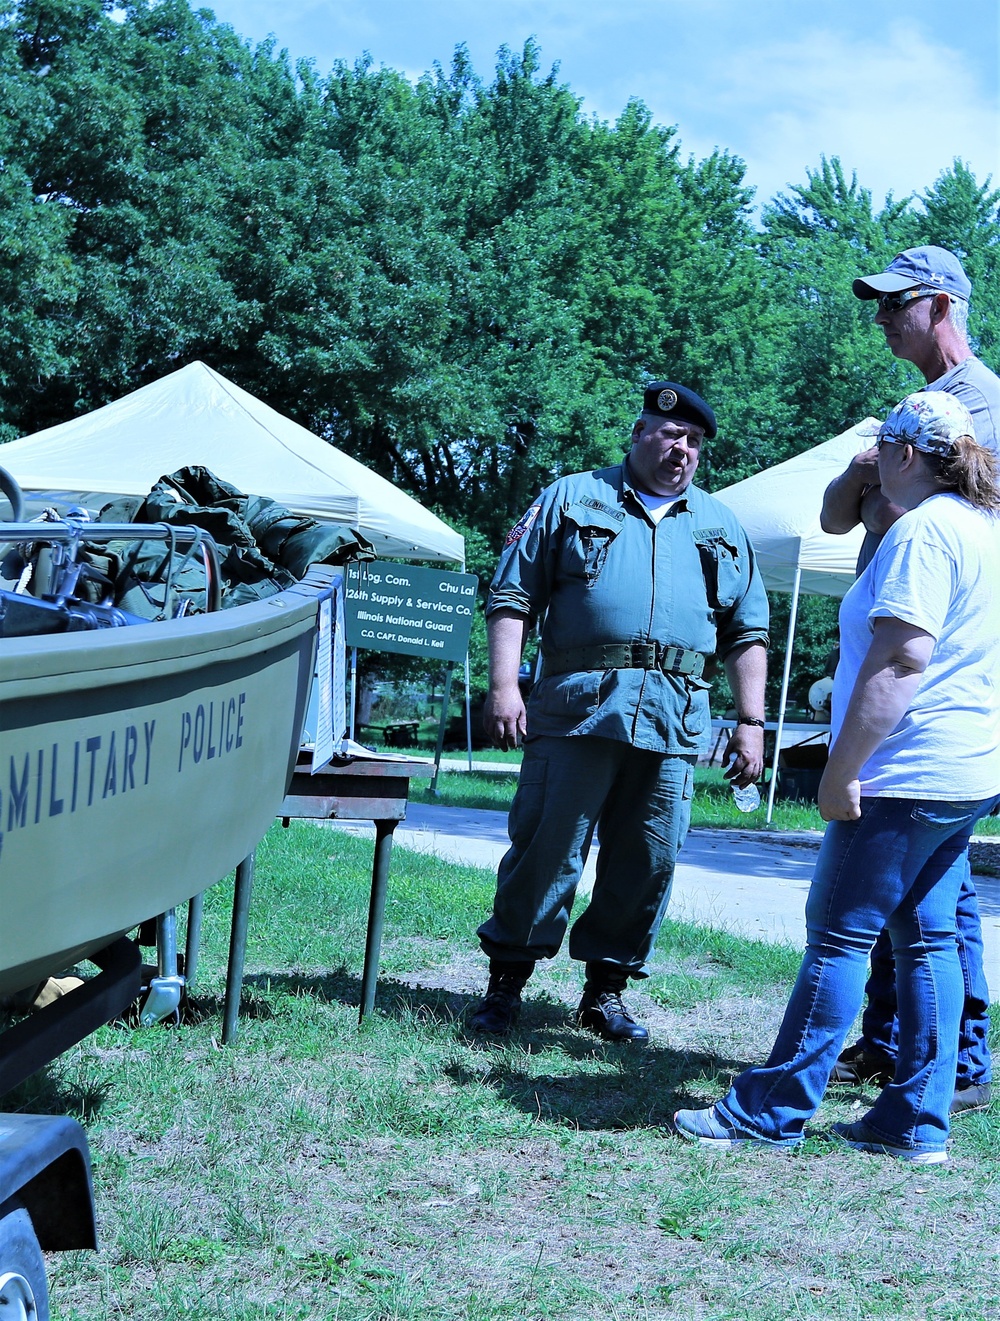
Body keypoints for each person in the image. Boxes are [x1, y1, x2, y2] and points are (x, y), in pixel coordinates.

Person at [675, 392, 1000, 1163]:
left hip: (906, 769)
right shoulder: (980, 527)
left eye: (877, 449)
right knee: (925, 941)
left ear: (904, 454)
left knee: (837, 935)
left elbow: (899, 660)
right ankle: (914, 1120)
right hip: (964, 769)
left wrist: (841, 769)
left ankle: (770, 1109)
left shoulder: (924, 532)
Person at [468, 382, 769, 1042]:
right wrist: (504, 687)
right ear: (638, 435)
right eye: (669, 435)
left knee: (648, 857)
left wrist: (752, 723)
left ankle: (604, 994)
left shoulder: (719, 525)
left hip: (673, 718)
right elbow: (512, 596)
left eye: (693, 441)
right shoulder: (572, 498)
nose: (682, 449)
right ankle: (505, 987)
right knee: (548, 848)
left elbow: (748, 631)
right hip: (579, 709)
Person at [821, 246, 1000, 1114]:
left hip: (933, 671)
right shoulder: (915, 410)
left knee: (938, 885)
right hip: (897, 643)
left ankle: (957, 1064)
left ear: (938, 305)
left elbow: (965, 534)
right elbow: (839, 513)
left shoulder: (984, 409)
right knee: (914, 888)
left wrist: (878, 489)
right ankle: (899, 1044)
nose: (881, 319)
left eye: (894, 304)